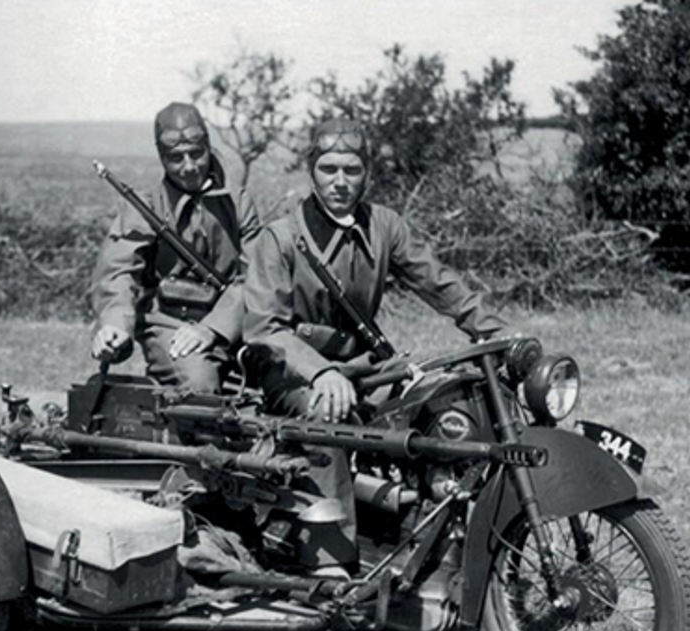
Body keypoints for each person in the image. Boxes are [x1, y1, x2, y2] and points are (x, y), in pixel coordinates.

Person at [243, 117, 505, 578]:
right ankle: (328, 556)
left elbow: (438, 281)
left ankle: (437, 533)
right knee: (326, 416)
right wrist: (321, 373)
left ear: (367, 173)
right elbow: (265, 328)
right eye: (328, 169)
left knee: (443, 409)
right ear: (311, 171)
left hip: (368, 366)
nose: (340, 182)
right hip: (293, 374)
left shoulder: (385, 226)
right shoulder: (280, 238)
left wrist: (493, 330)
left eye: (352, 169)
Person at [91, 102, 260, 392]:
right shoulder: (145, 208)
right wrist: (115, 324)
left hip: (235, 324)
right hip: (170, 326)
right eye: (176, 158)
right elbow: (117, 273)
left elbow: (256, 276)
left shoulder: (238, 203)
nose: (189, 166)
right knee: (199, 386)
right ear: (162, 158)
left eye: (196, 153)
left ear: (208, 147)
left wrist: (212, 328)